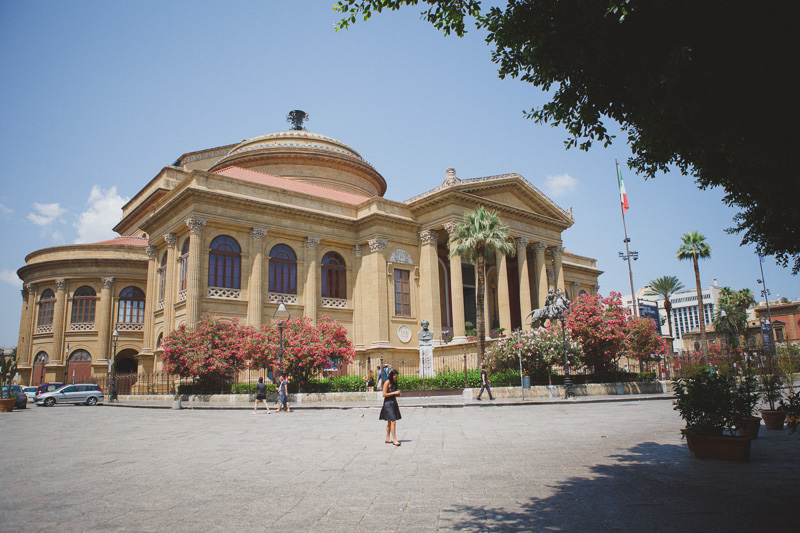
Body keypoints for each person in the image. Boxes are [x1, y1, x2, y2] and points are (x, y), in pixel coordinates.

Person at [379, 369, 402, 446]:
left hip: (393, 402)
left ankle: (387, 438)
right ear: (391, 376)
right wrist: (394, 393)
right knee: (393, 421)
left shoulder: (394, 383)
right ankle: (395, 439)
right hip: (388, 403)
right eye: (395, 377)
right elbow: (384, 394)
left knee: (389, 422)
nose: (396, 379)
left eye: (397, 377)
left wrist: (397, 393)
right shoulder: (387, 382)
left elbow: (393, 393)